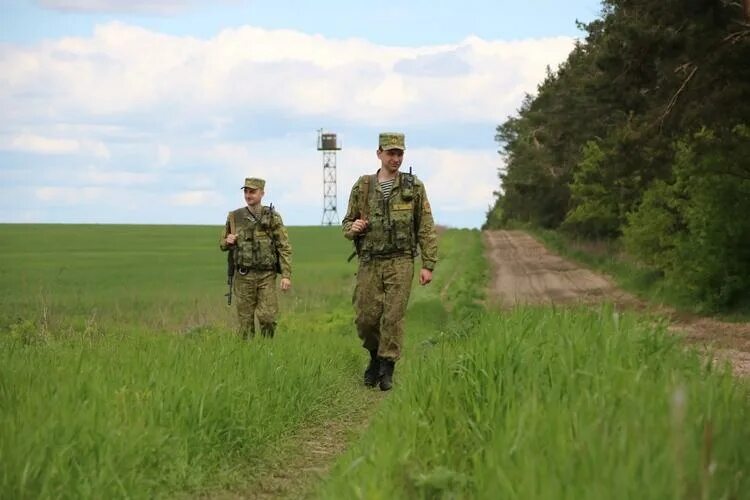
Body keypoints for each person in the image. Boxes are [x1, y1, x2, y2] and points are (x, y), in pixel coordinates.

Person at [342, 132, 438, 391]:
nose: (395, 158)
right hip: (370, 261)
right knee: (366, 318)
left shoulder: (413, 187)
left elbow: (426, 226)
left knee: (392, 317)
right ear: (379, 154)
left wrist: (428, 264)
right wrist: (355, 227)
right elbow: (346, 224)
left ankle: (387, 367)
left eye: (399, 153)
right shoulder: (363, 186)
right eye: (390, 153)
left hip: (401, 261)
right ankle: (374, 356)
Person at [220, 177, 292, 339]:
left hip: (266, 275)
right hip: (243, 276)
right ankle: (248, 355)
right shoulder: (234, 217)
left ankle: (267, 350)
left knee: (268, 317)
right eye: (246, 191)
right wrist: (227, 241)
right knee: (245, 323)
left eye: (252, 191)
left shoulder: (272, 217)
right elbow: (222, 243)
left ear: (262, 193)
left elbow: (284, 246)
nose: (248, 195)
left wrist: (286, 275)